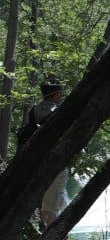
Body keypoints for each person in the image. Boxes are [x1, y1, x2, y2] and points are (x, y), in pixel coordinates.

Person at [17, 77, 68, 227]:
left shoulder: (34, 111)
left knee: (46, 202)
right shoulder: (59, 111)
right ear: (57, 93)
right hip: (54, 163)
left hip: (34, 163)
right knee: (52, 206)